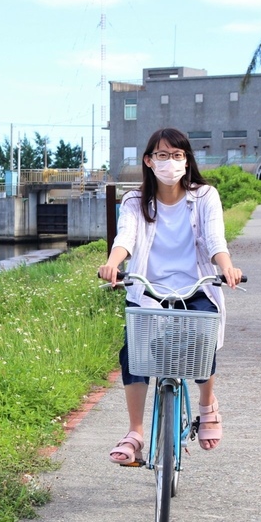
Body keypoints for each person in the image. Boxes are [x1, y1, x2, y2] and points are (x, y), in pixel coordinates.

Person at [98, 127, 243, 463]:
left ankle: (207, 405)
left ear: (187, 160)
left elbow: (215, 239)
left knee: (203, 333)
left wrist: (228, 267)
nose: (170, 162)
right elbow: (127, 238)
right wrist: (112, 264)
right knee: (133, 349)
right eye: (162, 155)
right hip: (148, 290)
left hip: (197, 285)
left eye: (177, 155)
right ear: (149, 161)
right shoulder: (135, 201)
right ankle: (135, 433)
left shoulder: (205, 196)